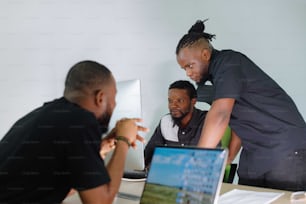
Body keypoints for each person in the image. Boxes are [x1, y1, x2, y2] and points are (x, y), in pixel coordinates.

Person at [175, 19, 306, 191]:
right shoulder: (215, 82)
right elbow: (237, 120)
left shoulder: (228, 62)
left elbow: (221, 114)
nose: (188, 73)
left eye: (190, 66)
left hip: (285, 146)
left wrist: (199, 160)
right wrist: (229, 156)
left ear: (205, 54)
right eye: (184, 69)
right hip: (254, 153)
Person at [0, 60, 148, 204]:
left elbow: (63, 187)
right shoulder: (80, 122)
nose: (115, 104)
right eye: (114, 98)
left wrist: (99, 149)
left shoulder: (48, 114)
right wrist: (124, 140)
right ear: (100, 98)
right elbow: (101, 202)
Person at [144, 80, 208, 168]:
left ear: (193, 101)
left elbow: (208, 160)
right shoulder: (166, 121)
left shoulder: (207, 121)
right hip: (170, 176)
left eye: (180, 101)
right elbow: (148, 155)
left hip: (197, 177)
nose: (173, 105)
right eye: (170, 101)